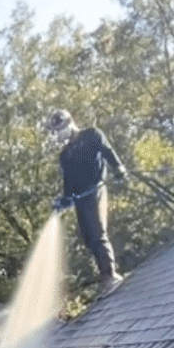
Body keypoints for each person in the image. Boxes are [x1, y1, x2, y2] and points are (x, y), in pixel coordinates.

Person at [45, 108, 127, 297]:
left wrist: (118, 168)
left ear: (69, 123)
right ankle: (105, 276)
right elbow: (68, 182)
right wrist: (64, 201)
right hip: (81, 197)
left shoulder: (92, 134)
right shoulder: (65, 155)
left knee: (98, 232)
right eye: (55, 131)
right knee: (88, 238)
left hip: (96, 188)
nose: (58, 134)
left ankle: (111, 276)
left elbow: (107, 151)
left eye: (59, 129)